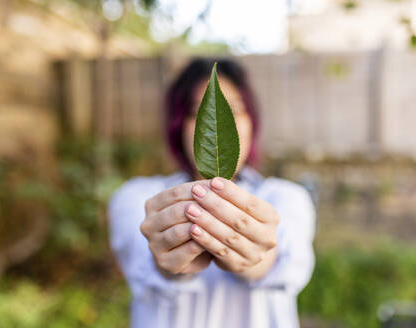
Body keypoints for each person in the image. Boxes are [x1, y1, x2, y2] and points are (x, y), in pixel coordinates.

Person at [108, 58, 316, 328]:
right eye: (198, 112)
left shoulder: (285, 197)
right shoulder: (140, 197)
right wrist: (168, 260)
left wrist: (255, 257)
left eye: (236, 110)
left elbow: (287, 264)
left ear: (252, 122)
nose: (217, 122)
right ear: (178, 125)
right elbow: (141, 260)